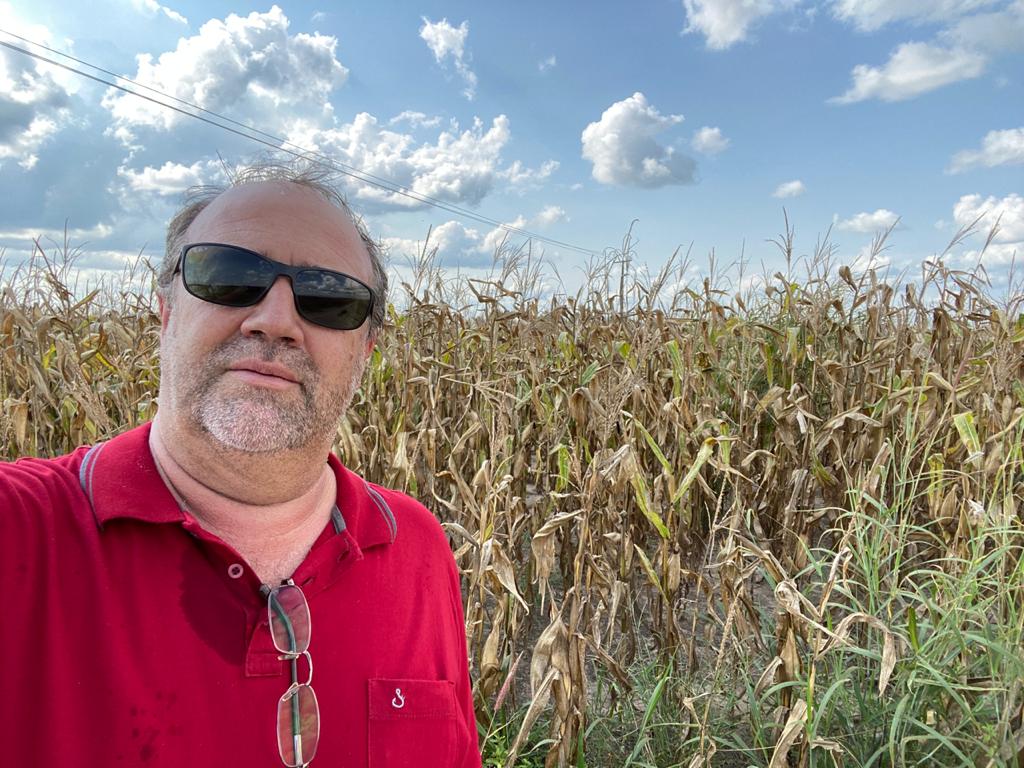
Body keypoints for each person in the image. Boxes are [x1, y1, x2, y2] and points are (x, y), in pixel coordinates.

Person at [0, 162, 481, 767]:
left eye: (328, 298)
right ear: (166, 312)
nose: (276, 322)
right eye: (229, 276)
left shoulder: (415, 545)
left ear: (364, 353)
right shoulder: (21, 529)